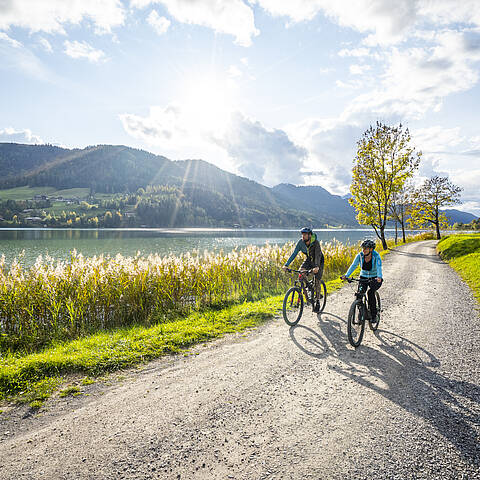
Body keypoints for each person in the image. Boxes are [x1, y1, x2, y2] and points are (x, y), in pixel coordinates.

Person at [283, 227, 325, 313]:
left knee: (317, 280)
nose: (303, 236)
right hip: (309, 259)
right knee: (301, 272)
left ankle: (317, 301)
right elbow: (294, 253)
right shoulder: (301, 242)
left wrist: (316, 267)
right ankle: (309, 287)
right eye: (302, 234)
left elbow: (317, 255)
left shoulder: (315, 243)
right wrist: (286, 265)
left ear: (310, 235)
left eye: (305, 234)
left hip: (318, 261)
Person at [341, 239, 383, 320]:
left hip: (374, 278)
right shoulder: (360, 255)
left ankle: (374, 315)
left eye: (366, 248)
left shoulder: (376, 256)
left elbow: (379, 267)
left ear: (371, 249)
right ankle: (362, 313)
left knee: (370, 293)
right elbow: (353, 265)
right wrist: (346, 275)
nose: (363, 250)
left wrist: (379, 277)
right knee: (359, 295)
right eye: (363, 248)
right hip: (363, 277)